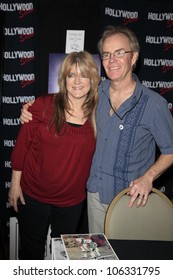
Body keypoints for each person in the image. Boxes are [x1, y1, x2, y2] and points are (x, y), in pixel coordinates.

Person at [19, 26, 173, 234]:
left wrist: (148, 177)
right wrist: (31, 109)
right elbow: (64, 100)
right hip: (95, 196)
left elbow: (170, 150)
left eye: (120, 53)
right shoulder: (95, 93)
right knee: (99, 259)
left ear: (134, 57)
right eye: (107, 55)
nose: (112, 60)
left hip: (129, 199)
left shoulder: (154, 104)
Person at [8, 50, 100, 259]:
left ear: (93, 79)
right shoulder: (42, 105)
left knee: (64, 255)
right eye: (71, 75)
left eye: (83, 74)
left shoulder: (100, 113)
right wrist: (15, 185)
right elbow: (22, 146)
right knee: (30, 254)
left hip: (71, 202)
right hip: (33, 196)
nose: (77, 81)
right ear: (63, 79)